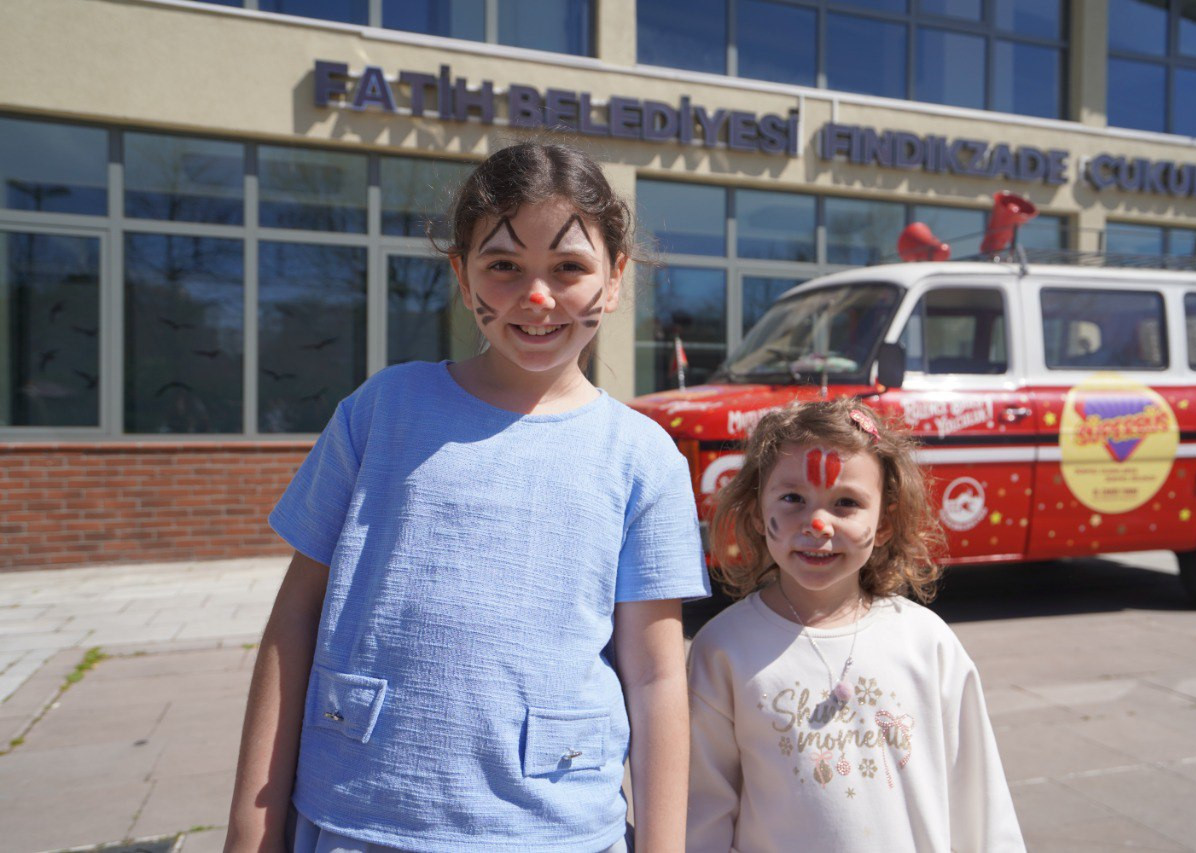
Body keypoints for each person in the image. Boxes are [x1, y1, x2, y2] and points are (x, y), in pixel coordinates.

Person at [225, 142, 710, 853]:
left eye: (568, 267)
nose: (537, 296)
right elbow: (294, 618)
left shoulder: (644, 457)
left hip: (557, 828)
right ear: (461, 274)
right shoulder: (382, 411)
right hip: (359, 815)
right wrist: (251, 827)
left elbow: (658, 674)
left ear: (614, 278)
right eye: (504, 265)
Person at [686, 400, 1024, 852]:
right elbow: (702, 811)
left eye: (846, 503)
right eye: (793, 499)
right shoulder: (724, 649)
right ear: (755, 514)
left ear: (884, 523)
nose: (818, 524)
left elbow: (978, 798)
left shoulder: (927, 643)